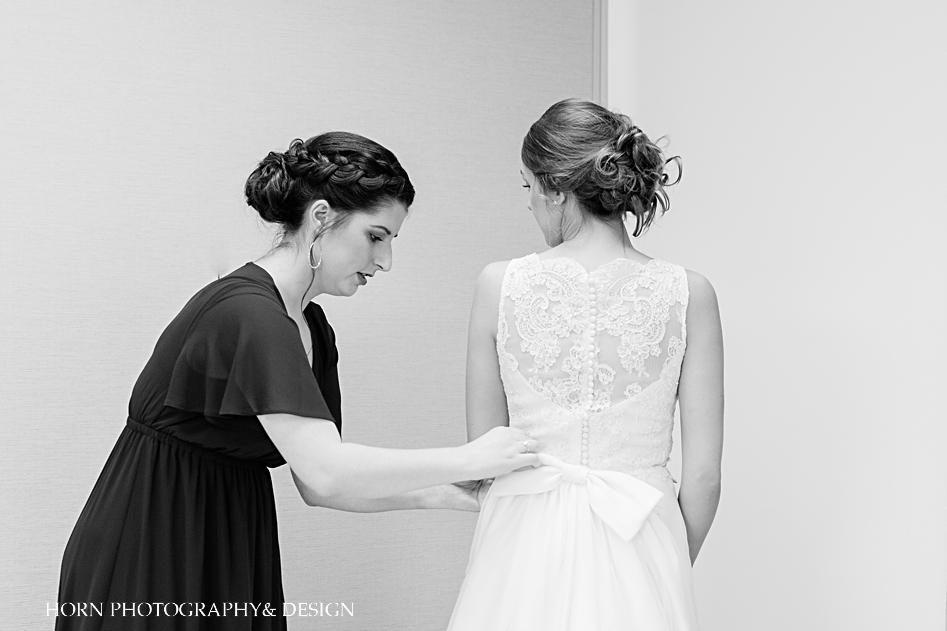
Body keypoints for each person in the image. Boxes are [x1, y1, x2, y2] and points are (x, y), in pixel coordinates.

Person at [56, 132, 539, 631]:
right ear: (322, 217)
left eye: (392, 241)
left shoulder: (311, 326)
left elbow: (317, 484)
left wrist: (448, 493)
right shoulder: (248, 313)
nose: (385, 261)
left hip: (227, 537)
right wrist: (472, 456)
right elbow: (327, 471)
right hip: (151, 542)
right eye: (376, 236)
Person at [447, 99, 724, 630]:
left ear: (556, 188)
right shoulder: (690, 293)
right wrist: (663, 565)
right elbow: (705, 477)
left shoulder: (496, 284)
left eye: (527, 186)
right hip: (642, 530)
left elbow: (484, 457)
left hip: (522, 539)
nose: (528, 203)